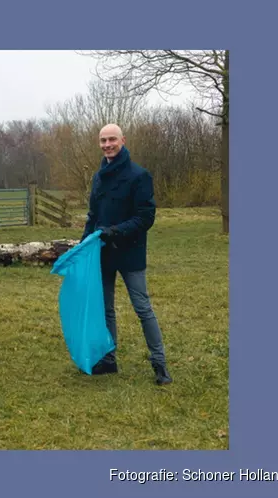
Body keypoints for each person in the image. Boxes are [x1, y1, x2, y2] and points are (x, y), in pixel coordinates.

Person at [80, 123, 172, 385]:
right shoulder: (98, 177)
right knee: (106, 309)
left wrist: (115, 231)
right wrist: (83, 244)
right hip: (103, 254)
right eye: (103, 141)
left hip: (130, 254)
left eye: (112, 140)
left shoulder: (139, 175)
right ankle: (109, 359)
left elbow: (146, 218)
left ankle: (159, 363)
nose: (107, 145)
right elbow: (93, 216)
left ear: (123, 140)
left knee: (142, 307)